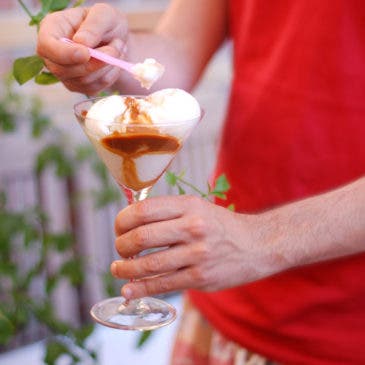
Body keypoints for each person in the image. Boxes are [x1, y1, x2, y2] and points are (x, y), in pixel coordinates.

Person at [37, 1, 365, 364]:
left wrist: (262, 240)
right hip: (220, 301)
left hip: (342, 340)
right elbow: (178, 48)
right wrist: (112, 51)